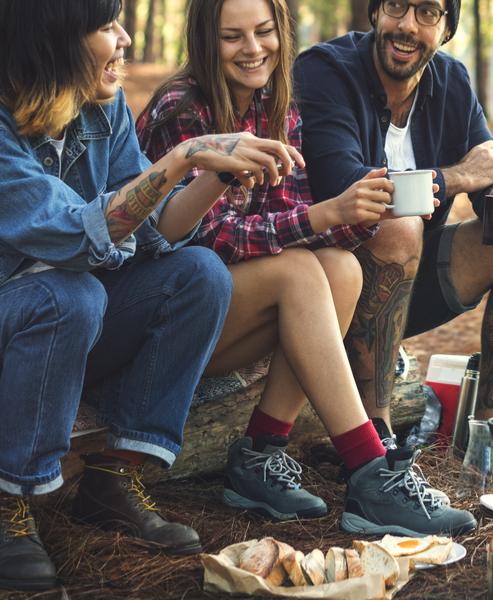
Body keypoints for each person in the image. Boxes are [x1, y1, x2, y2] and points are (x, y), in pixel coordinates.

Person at [0, 0, 308, 592]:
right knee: (72, 294)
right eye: (106, 27)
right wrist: (179, 158)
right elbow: (74, 232)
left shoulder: (103, 105)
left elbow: (155, 227)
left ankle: (115, 479)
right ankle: (10, 501)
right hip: (19, 322)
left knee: (199, 275)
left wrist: (215, 172)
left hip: (72, 328)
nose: (124, 40)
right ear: (54, 39)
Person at [136, 0, 476, 536]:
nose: (254, 49)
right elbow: (204, 240)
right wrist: (324, 214)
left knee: (340, 268)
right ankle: (369, 471)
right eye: (233, 37)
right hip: (172, 316)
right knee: (298, 271)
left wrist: (357, 213)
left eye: (265, 32)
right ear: (206, 40)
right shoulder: (183, 109)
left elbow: (288, 215)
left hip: (235, 314)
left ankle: (259, 455)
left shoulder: (279, 103)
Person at [292, 0, 493, 457]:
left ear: (447, 29)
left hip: (409, 285)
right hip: (329, 289)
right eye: (397, 6)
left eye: (429, 12)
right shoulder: (325, 70)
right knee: (398, 224)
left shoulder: (451, 81)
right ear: (375, 12)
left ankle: (490, 441)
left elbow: (490, 167)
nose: (408, 26)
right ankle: (377, 438)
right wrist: (456, 176)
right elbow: (349, 190)